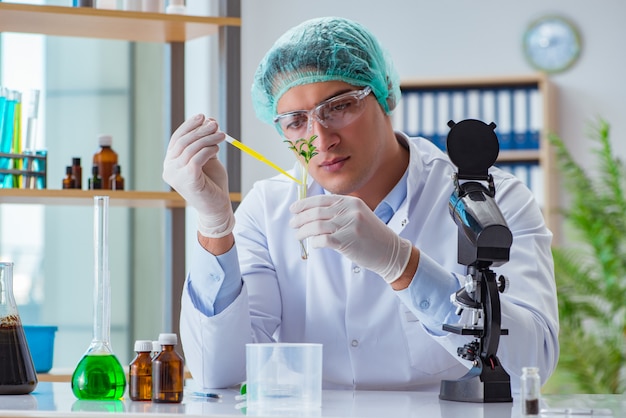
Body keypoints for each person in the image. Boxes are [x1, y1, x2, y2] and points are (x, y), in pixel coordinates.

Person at [162, 16, 559, 392]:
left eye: (339, 106)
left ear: (385, 97)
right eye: (296, 120)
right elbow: (218, 373)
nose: (320, 140)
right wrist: (215, 227)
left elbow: (532, 361)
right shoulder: (268, 209)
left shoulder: (492, 200)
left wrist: (403, 265)